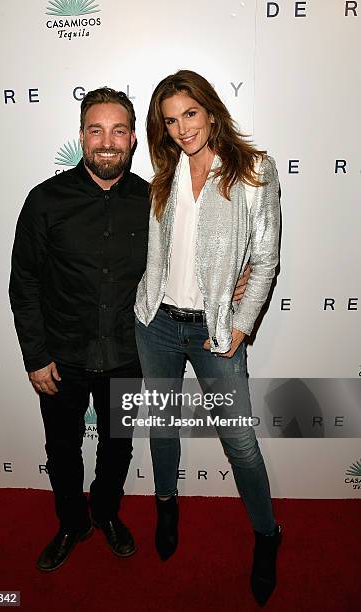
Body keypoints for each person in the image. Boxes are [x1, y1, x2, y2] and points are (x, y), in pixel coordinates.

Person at [9, 85, 250, 573]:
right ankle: (71, 524)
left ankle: (107, 514)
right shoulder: (45, 201)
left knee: (117, 450)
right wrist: (35, 356)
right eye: (95, 130)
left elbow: (194, 252)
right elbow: (25, 283)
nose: (107, 141)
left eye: (118, 130)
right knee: (61, 450)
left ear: (134, 139)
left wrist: (237, 281)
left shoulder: (154, 198)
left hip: (128, 354)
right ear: (80, 136)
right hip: (62, 357)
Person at [134, 70, 281, 605]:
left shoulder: (253, 172)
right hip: (155, 323)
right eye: (170, 121)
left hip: (215, 332)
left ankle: (267, 535)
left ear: (211, 111)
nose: (181, 128)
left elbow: (264, 259)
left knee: (239, 442)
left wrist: (240, 324)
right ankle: (167, 503)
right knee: (163, 425)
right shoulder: (164, 174)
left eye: (189, 114)